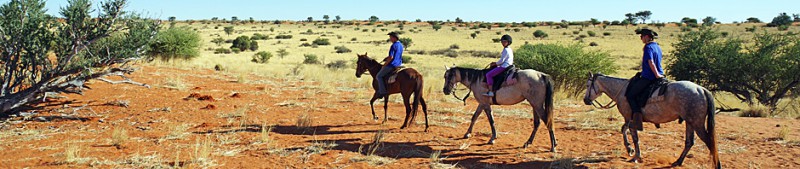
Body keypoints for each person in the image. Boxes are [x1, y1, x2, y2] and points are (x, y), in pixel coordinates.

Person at [626, 28, 664, 131]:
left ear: (647, 37)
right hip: (660, 75)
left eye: (642, 36)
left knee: (630, 95)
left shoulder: (648, 47)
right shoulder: (658, 47)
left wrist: (656, 75)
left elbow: (650, 62)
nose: (641, 38)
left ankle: (637, 121)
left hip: (649, 77)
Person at [376, 32, 404, 97]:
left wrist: (384, 65)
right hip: (399, 63)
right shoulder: (401, 45)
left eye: (390, 37)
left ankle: (382, 92)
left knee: (379, 76)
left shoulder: (393, 45)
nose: (390, 39)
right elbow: (396, 55)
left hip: (392, 65)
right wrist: (386, 58)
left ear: (394, 38)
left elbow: (391, 57)